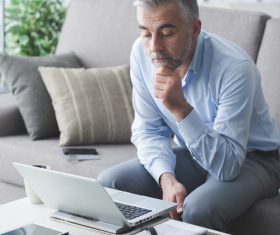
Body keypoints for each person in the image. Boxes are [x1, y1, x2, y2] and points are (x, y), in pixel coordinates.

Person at [98, 0, 280, 231]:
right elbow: (148, 131)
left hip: (252, 160)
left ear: (195, 29)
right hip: (192, 153)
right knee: (110, 183)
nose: (154, 47)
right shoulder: (140, 53)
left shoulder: (235, 68)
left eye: (166, 33)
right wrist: (167, 178)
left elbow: (227, 166)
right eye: (145, 33)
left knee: (198, 208)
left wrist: (180, 109)